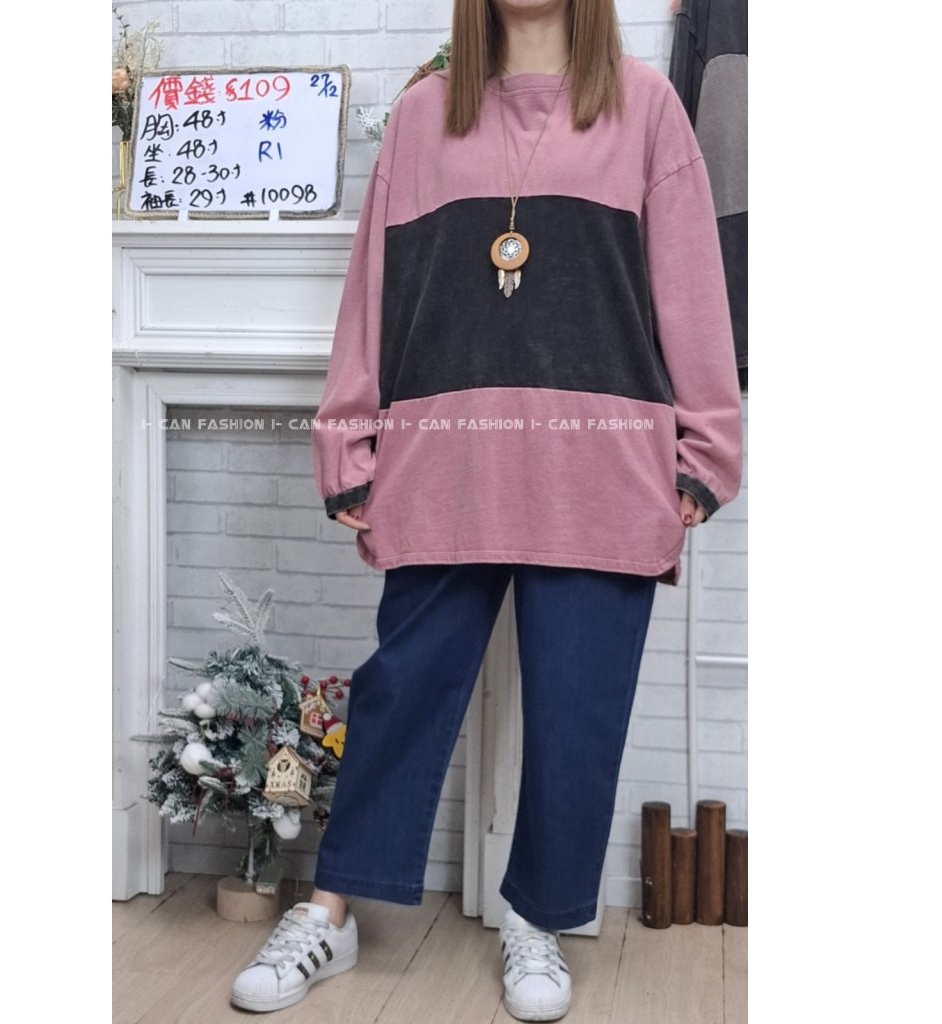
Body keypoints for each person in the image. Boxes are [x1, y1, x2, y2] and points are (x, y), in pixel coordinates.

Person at [231, 0, 742, 1019]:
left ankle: (536, 917)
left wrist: (704, 454)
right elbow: (373, 293)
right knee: (401, 689)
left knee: (577, 711)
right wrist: (348, 441)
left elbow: (692, 289)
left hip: (602, 464)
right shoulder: (422, 118)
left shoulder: (647, 110)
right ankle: (330, 910)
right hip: (447, 458)